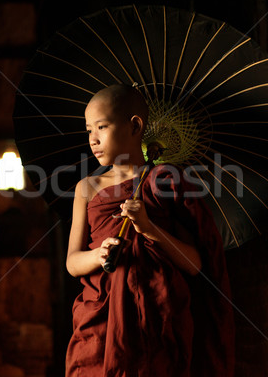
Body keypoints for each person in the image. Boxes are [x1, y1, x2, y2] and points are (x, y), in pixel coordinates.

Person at [65, 84, 235, 376]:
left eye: (102, 127)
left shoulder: (164, 182)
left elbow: (194, 265)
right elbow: (72, 262)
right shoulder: (86, 189)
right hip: (99, 322)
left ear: (134, 126)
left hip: (159, 319)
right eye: (88, 130)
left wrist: (149, 228)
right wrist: (99, 254)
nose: (93, 139)